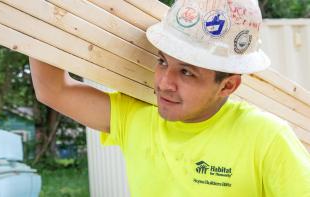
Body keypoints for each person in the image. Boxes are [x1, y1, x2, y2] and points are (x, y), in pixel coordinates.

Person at [29, 0, 310, 196]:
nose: (164, 83)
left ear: (228, 86)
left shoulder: (267, 138)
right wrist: (46, 13)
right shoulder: (136, 117)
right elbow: (53, 90)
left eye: (187, 73)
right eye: (163, 62)